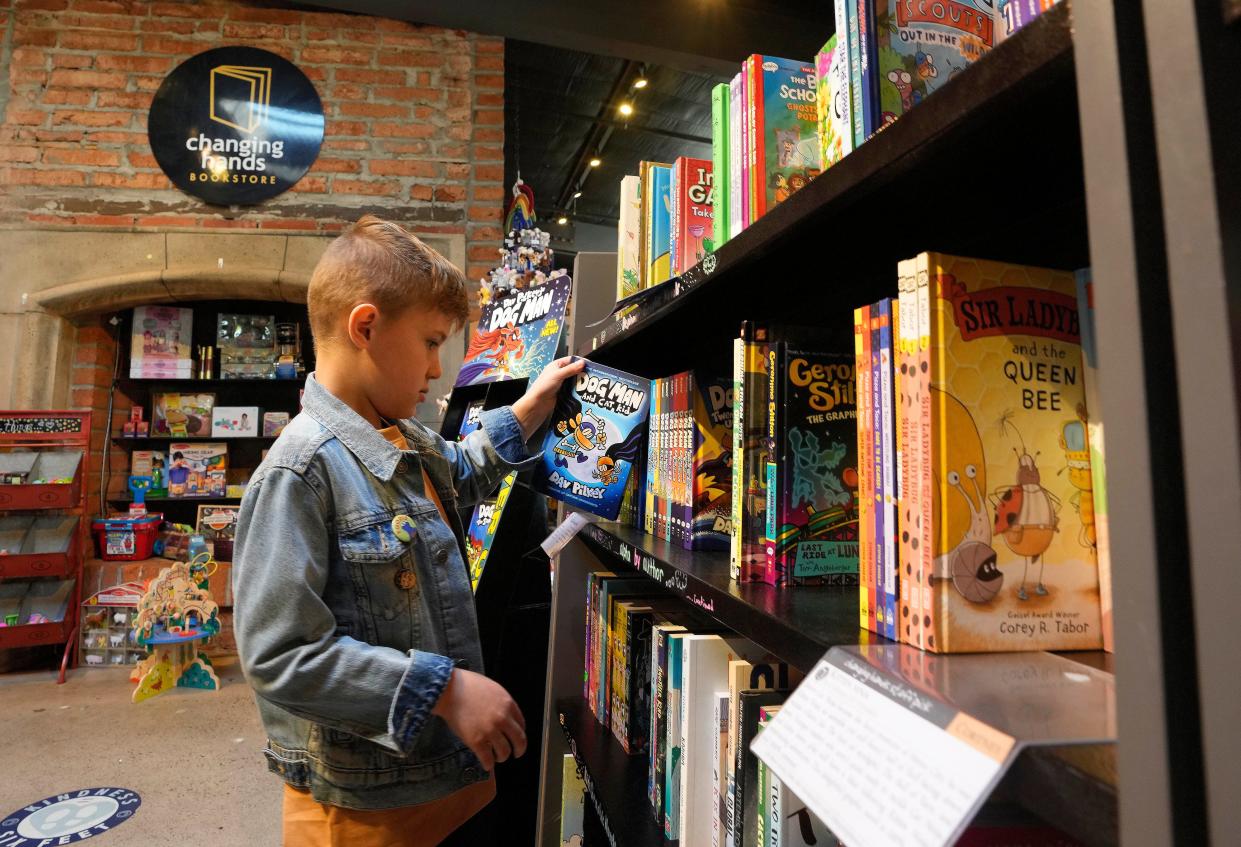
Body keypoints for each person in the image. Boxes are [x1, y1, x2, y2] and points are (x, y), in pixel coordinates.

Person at [232, 215, 585, 846]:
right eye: (429, 342)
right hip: (364, 809)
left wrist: (530, 408)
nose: (435, 369)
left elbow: (463, 471)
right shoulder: (299, 471)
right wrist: (442, 690)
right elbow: (280, 655)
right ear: (366, 327)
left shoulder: (406, 439)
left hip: (438, 782)